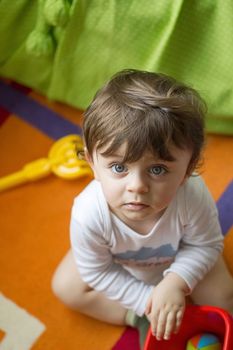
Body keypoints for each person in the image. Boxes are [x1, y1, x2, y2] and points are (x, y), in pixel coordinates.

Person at [52, 69, 233, 344]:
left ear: (187, 170)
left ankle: (197, 323)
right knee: (66, 287)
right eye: (118, 167)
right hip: (119, 265)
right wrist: (147, 301)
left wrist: (175, 283)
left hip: (184, 254)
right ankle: (141, 318)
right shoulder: (88, 213)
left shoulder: (192, 194)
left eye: (158, 169)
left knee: (225, 297)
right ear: (92, 163)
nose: (137, 186)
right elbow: (96, 271)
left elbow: (205, 245)